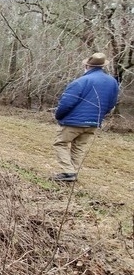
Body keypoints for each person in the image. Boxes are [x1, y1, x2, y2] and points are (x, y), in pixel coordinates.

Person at [51, 53, 119, 182]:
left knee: (61, 143)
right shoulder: (112, 82)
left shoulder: (81, 81)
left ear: (88, 65)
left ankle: (68, 172)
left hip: (74, 121)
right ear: (103, 66)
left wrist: (58, 116)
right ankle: (72, 172)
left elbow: (67, 102)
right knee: (80, 147)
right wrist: (99, 116)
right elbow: (111, 104)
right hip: (93, 122)